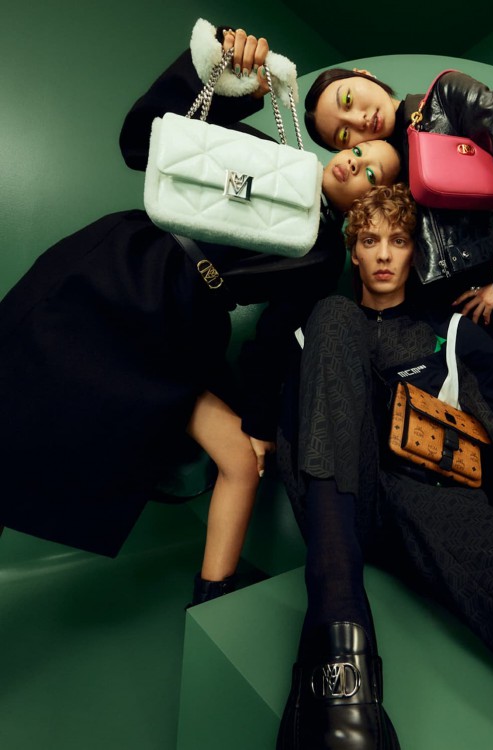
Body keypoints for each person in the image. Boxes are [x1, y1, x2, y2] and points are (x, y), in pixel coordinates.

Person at [0, 23, 401, 608]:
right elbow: (141, 142)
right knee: (15, 396)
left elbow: (272, 341)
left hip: (180, 323)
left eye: (372, 173)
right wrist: (230, 78)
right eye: (351, 145)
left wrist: (260, 424)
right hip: (118, 267)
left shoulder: (323, 254)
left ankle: (212, 592)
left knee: (212, 452)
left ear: (370, 203)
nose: (354, 157)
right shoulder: (267, 152)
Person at [275, 183, 493, 749]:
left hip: (435, 513)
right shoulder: (316, 336)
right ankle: (339, 673)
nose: (383, 254)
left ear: (415, 252)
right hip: (341, 509)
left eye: (398, 240)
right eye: (370, 241)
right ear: (353, 252)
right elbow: (293, 446)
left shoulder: (449, 335)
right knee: (331, 315)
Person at [302, 66, 493, 362]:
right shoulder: (370, 167)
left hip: (469, 310)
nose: (360, 120)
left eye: (348, 99)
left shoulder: (444, 99)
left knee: (492, 392)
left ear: (362, 73)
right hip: (400, 325)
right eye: (344, 135)